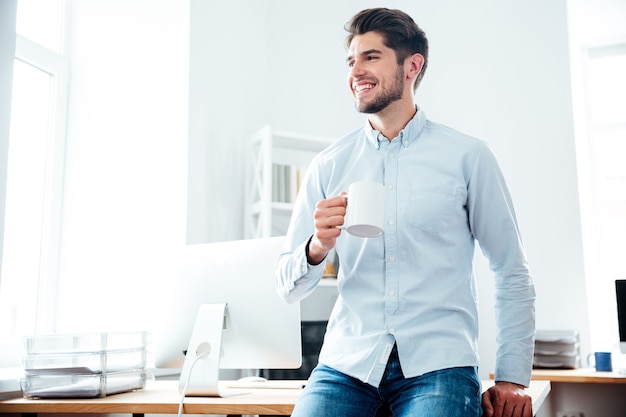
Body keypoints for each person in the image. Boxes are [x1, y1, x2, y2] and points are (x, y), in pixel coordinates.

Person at [275, 7, 535, 417]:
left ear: (413, 66)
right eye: (351, 61)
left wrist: (512, 377)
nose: (355, 71)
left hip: (439, 366)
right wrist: (316, 247)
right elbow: (287, 287)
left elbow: (510, 269)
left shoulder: (468, 156)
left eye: (371, 57)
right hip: (346, 365)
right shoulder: (328, 164)